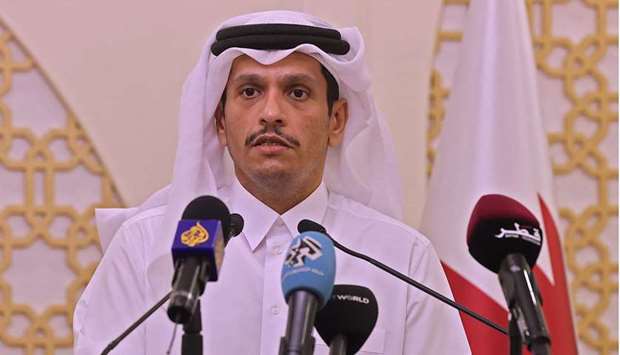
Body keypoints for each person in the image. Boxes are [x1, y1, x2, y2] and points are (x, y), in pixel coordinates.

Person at [73, 10, 471, 355]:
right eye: (249, 92)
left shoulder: (400, 260)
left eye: (297, 92)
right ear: (220, 123)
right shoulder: (144, 251)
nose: (271, 113)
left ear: (337, 121)